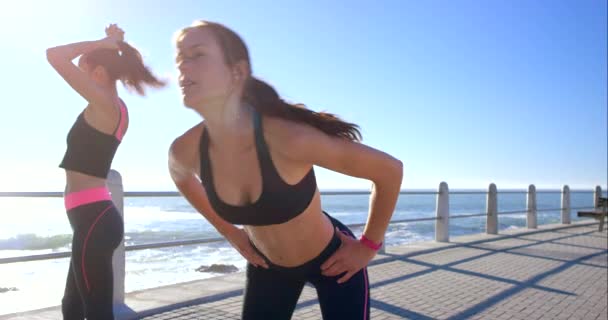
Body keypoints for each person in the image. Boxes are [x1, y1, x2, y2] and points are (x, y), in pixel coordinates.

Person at [168, 20, 403, 320]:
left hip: (334, 261)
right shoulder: (185, 150)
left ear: (236, 72)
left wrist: (368, 246)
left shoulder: (289, 138)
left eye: (197, 54)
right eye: (179, 59)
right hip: (268, 268)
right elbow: (181, 176)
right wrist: (232, 235)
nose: (183, 67)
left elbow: (389, 171)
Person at [47, 24, 165, 320]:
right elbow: (71, 61)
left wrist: (103, 43)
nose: (79, 74)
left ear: (99, 73)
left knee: (95, 313)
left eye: (84, 69)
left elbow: (55, 55)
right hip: (93, 221)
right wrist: (114, 44)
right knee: (73, 307)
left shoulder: (105, 105)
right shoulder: (114, 108)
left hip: (93, 221)